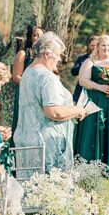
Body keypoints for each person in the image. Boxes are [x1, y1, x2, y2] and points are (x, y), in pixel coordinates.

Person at [13, 33, 89, 179]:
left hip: (26, 139)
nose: (59, 59)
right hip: (47, 144)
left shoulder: (27, 73)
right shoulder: (47, 77)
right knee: (49, 192)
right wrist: (78, 110)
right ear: (47, 54)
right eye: (58, 55)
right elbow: (53, 112)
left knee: (29, 190)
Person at [74, 34, 109, 175]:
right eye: (103, 45)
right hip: (96, 101)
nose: (106, 48)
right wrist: (100, 87)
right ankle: (90, 166)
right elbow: (83, 81)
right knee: (95, 130)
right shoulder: (90, 62)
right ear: (97, 48)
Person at [11, 24, 44, 133]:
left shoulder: (45, 56)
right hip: (25, 92)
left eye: (40, 35)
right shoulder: (23, 54)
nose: (38, 38)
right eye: (35, 35)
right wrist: (32, 85)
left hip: (40, 94)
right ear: (30, 37)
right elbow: (16, 77)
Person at [70, 36, 99, 103]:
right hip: (81, 89)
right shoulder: (82, 58)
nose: (94, 48)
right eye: (92, 45)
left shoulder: (102, 60)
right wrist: (85, 65)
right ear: (89, 46)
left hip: (96, 90)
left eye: (96, 46)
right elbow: (73, 72)